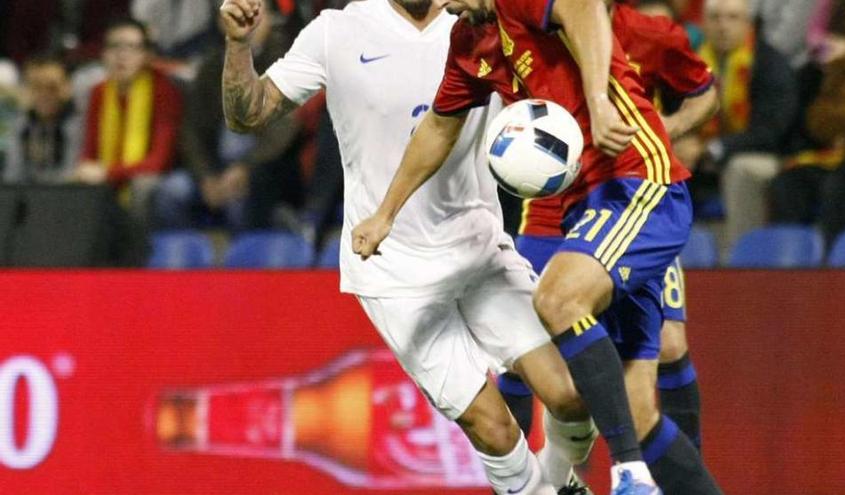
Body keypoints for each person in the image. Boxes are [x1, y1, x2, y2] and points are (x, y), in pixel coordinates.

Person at [219, 0, 628, 494]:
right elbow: (251, 112)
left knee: (570, 395)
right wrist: (239, 45)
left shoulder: (483, 20)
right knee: (494, 428)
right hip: (394, 272)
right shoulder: (337, 31)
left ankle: (561, 480)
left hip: (480, 250)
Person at [351, 0, 723, 491]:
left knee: (556, 299)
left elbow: (585, 7)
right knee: (636, 408)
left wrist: (598, 99)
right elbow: (440, 126)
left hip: (636, 181)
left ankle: (631, 476)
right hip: (580, 209)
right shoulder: (469, 41)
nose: (443, 6)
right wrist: (386, 213)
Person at [499, 0, 719, 457]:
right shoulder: (525, 25)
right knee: (520, 351)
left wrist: (668, 126)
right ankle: (527, 479)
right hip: (548, 213)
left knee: (667, 343)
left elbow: (703, 89)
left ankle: (671, 471)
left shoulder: (651, 33)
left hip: (630, 201)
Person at [153, 6, 305, 231]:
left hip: (265, 170)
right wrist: (206, 176)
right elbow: (192, 131)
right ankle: (192, 258)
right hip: (214, 170)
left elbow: (283, 131)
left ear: (270, 20)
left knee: (240, 198)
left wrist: (244, 169)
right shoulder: (211, 67)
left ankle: (243, 260)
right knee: (170, 192)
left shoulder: (287, 62)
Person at [691, 0, 798, 247]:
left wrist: (714, 148)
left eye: (732, 18)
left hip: (767, 156)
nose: (723, 26)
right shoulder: (692, 62)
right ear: (703, 24)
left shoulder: (770, 63)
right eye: (715, 18)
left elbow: (771, 132)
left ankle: (739, 258)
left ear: (748, 24)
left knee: (741, 169)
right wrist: (684, 143)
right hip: (705, 155)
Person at [770, 0, 845, 241]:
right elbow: (818, 120)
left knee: (841, 184)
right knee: (789, 181)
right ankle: (786, 266)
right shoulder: (843, 64)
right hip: (838, 154)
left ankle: (838, 268)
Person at [75, 17, 182, 227]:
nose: (122, 55)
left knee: (142, 187)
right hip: (110, 174)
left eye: (132, 47)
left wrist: (107, 173)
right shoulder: (99, 92)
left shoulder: (164, 90)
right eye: (115, 46)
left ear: (146, 55)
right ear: (103, 53)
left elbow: (159, 161)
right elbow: (90, 152)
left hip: (153, 179)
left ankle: (136, 256)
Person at [4, 55, 82, 184]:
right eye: (36, 87)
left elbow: (72, 176)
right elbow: (12, 177)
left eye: (52, 87)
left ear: (68, 87)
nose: (44, 94)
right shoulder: (21, 125)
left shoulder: (80, 126)